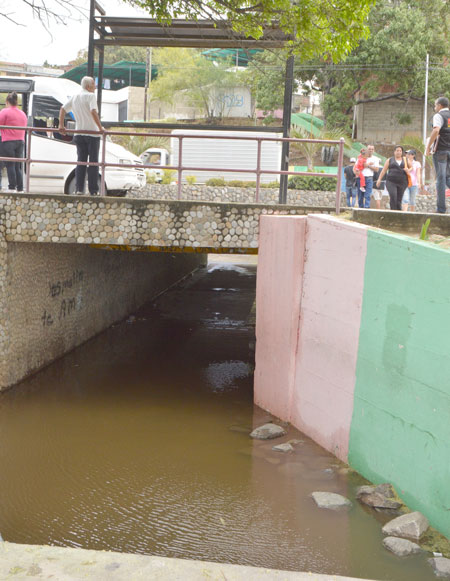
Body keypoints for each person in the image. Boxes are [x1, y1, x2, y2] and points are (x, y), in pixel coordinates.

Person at [58, 76, 104, 195]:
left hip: (79, 133)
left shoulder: (75, 97)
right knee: (93, 162)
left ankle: (79, 189)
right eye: (93, 84)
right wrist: (100, 128)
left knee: (81, 161)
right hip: (92, 134)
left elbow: (62, 109)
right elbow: (93, 111)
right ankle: (93, 190)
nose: (95, 86)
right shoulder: (91, 96)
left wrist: (61, 125)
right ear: (88, 86)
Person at [425, 96, 450, 214]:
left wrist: (428, 146)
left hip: (441, 151)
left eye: (435, 105)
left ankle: (441, 209)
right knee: (447, 178)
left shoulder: (438, 116)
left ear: (439, 105)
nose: (435, 107)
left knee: (440, 179)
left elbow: (436, 130)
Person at [0, 91, 28, 193]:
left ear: (7, 102)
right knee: (17, 166)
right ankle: (20, 188)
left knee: (10, 165)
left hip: (8, 142)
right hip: (20, 141)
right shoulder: (22, 113)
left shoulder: (5, 111)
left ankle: (11, 187)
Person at [376, 146, 410, 211]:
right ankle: (393, 211)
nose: (399, 152)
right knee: (393, 196)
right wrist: (379, 179)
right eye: (397, 150)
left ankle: (399, 213)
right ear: (394, 152)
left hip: (402, 182)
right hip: (391, 182)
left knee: (399, 199)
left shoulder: (405, 160)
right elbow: (384, 170)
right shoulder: (390, 160)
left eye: (400, 151)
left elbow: (411, 167)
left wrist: (408, 170)